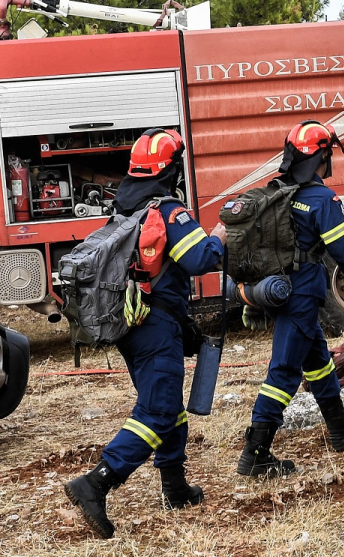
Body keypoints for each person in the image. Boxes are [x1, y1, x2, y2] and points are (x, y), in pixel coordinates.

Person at [64, 129, 226, 539]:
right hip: (156, 326)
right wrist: (221, 234)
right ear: (171, 171)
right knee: (158, 410)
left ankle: (175, 485)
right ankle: (97, 482)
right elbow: (201, 259)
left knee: (167, 405)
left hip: (130, 324)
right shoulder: (169, 211)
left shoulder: (125, 208)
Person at [236, 120, 344, 477]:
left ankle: (338, 424)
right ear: (323, 157)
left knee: (316, 358)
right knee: (284, 370)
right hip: (300, 293)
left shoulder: (277, 191)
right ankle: (256, 452)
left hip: (279, 288)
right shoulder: (321, 198)